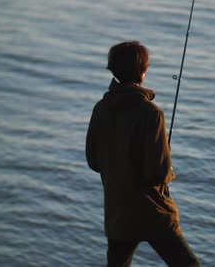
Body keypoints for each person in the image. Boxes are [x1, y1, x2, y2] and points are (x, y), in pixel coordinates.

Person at [86, 41, 200, 267]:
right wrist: (169, 169)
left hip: (118, 212)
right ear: (143, 71)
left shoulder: (101, 108)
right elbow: (157, 173)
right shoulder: (151, 113)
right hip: (153, 212)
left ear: (114, 70)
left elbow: (93, 161)